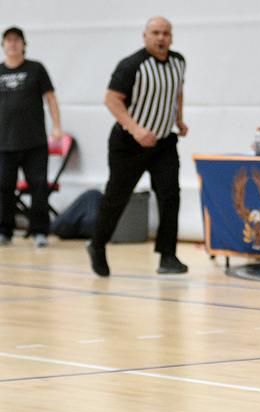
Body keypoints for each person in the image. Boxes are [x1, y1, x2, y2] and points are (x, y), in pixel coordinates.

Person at [86, 16, 188, 277]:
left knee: (170, 195)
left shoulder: (179, 62)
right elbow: (111, 100)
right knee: (117, 197)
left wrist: (179, 119)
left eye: (166, 33)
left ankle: (168, 256)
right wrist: (136, 129)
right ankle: (97, 245)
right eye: (155, 32)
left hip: (163, 142)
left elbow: (176, 92)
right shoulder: (131, 65)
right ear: (145, 36)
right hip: (128, 143)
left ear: (172, 37)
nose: (161, 37)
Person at [0, 26, 62, 248]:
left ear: (24, 45)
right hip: (5, 143)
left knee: (38, 187)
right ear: (3, 45)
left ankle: (39, 231)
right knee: (4, 187)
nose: (13, 43)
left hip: (34, 142)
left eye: (17, 40)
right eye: (8, 40)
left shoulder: (36, 69)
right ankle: (5, 230)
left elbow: (51, 98)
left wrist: (57, 127)